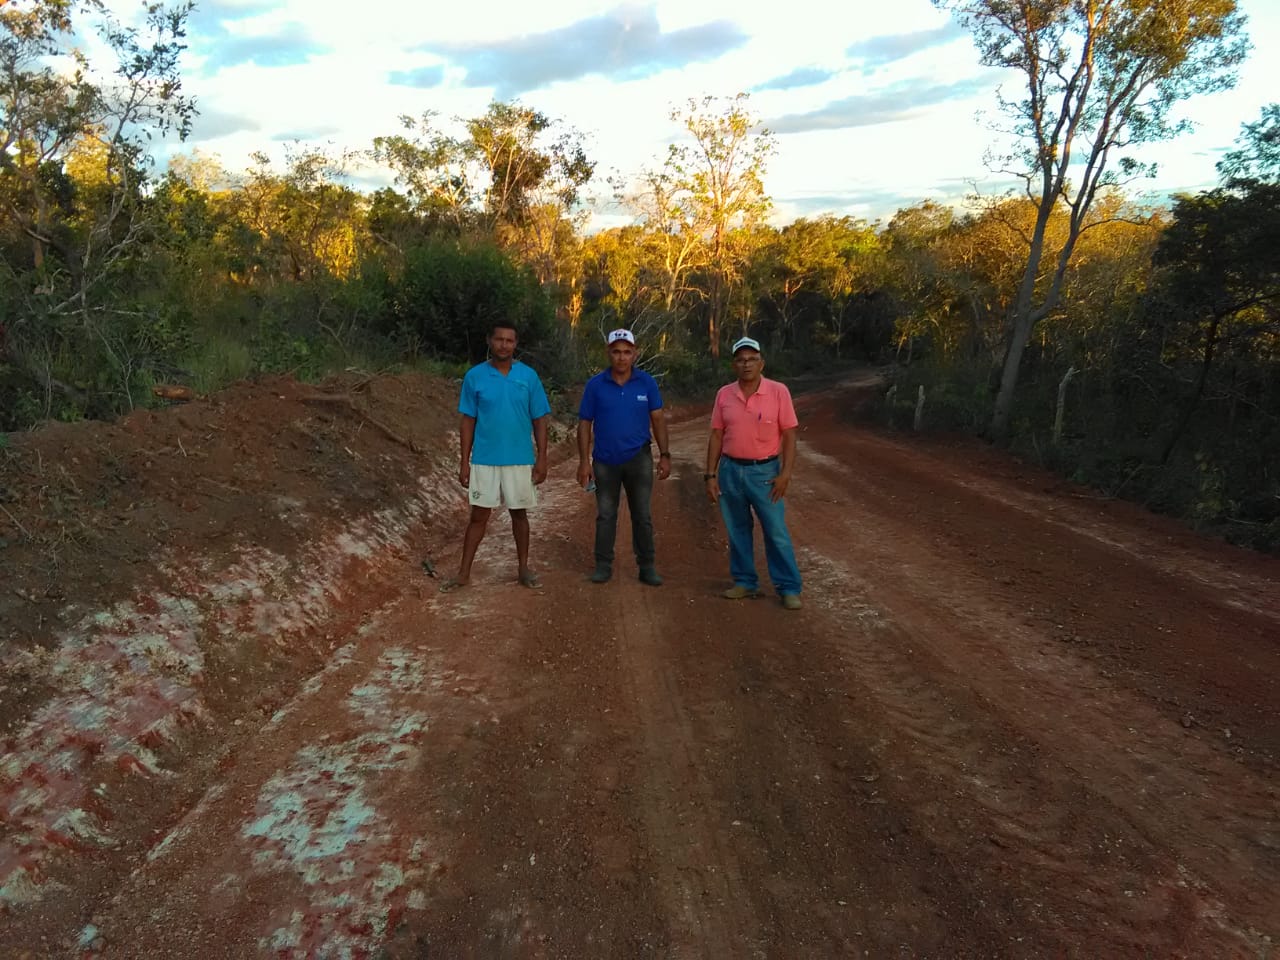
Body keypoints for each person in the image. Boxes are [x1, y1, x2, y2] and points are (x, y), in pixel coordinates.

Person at [442, 323, 550, 592]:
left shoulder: (529, 377)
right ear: (489, 341)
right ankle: (463, 573)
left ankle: (523, 569)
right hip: (484, 459)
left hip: (520, 458)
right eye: (499, 339)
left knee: (519, 515)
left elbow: (540, 420)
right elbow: (468, 421)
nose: (504, 345)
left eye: (509, 340)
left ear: (516, 344)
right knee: (478, 517)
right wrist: (464, 461)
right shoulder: (475, 377)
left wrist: (542, 457)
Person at [704, 336, 803, 610]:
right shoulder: (724, 394)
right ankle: (745, 581)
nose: (746, 364)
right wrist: (710, 475)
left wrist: (785, 474)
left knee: (776, 531)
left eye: (751, 359)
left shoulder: (778, 391)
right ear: (734, 364)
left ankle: (788, 588)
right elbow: (716, 435)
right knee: (737, 530)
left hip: (765, 473)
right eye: (740, 359)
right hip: (730, 471)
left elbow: (790, 435)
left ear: (762, 363)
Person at [576, 328, 671, 586]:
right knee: (606, 515)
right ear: (609, 353)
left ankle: (647, 566)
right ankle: (603, 565)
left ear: (635, 354)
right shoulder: (595, 385)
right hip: (605, 461)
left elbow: (658, 419)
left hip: (638, 458)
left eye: (627, 352)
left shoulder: (647, 383)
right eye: (616, 352)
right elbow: (585, 423)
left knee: (642, 514)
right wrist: (584, 461)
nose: (621, 357)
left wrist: (664, 454)